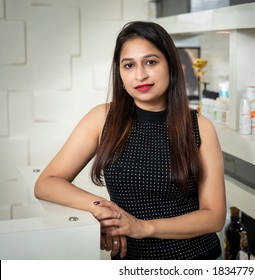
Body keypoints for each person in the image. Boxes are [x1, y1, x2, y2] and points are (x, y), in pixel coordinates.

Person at [34, 21, 226, 260]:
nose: (140, 75)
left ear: (171, 65)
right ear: (120, 73)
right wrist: (103, 210)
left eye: (151, 62)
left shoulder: (200, 127)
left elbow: (214, 216)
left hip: (197, 259)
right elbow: (46, 183)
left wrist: (143, 227)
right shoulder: (103, 118)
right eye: (129, 65)